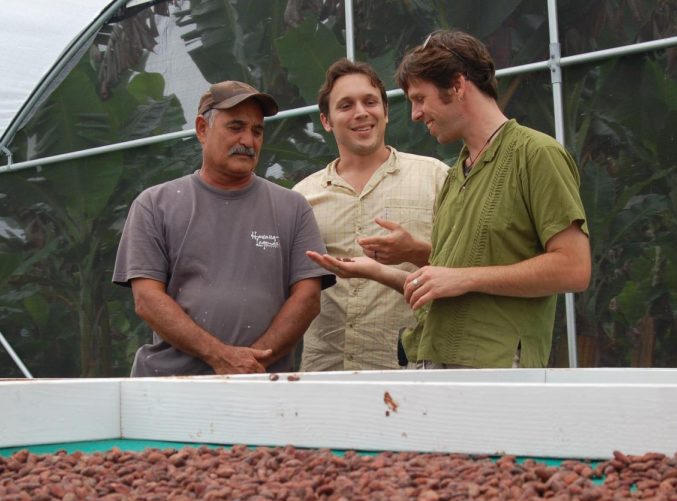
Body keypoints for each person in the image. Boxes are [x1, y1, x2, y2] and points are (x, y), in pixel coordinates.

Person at [307, 30, 590, 368]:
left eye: (419, 98)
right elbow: (445, 280)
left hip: (497, 370)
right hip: (437, 364)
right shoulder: (456, 174)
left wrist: (463, 278)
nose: (413, 113)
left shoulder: (536, 154)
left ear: (457, 86)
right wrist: (385, 266)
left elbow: (574, 268)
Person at [113, 81, 334, 376]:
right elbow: (147, 299)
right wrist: (221, 356)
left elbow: (307, 298)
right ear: (202, 129)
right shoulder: (155, 204)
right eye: (236, 127)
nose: (248, 140)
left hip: (264, 385)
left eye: (257, 131)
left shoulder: (293, 207)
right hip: (171, 386)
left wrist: (252, 364)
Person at [294, 58, 448, 371]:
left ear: (386, 112)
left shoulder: (435, 178)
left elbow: (467, 270)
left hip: (413, 373)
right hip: (326, 375)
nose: (361, 112)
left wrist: (416, 252)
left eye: (370, 102)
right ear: (326, 120)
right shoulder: (300, 198)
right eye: (346, 105)